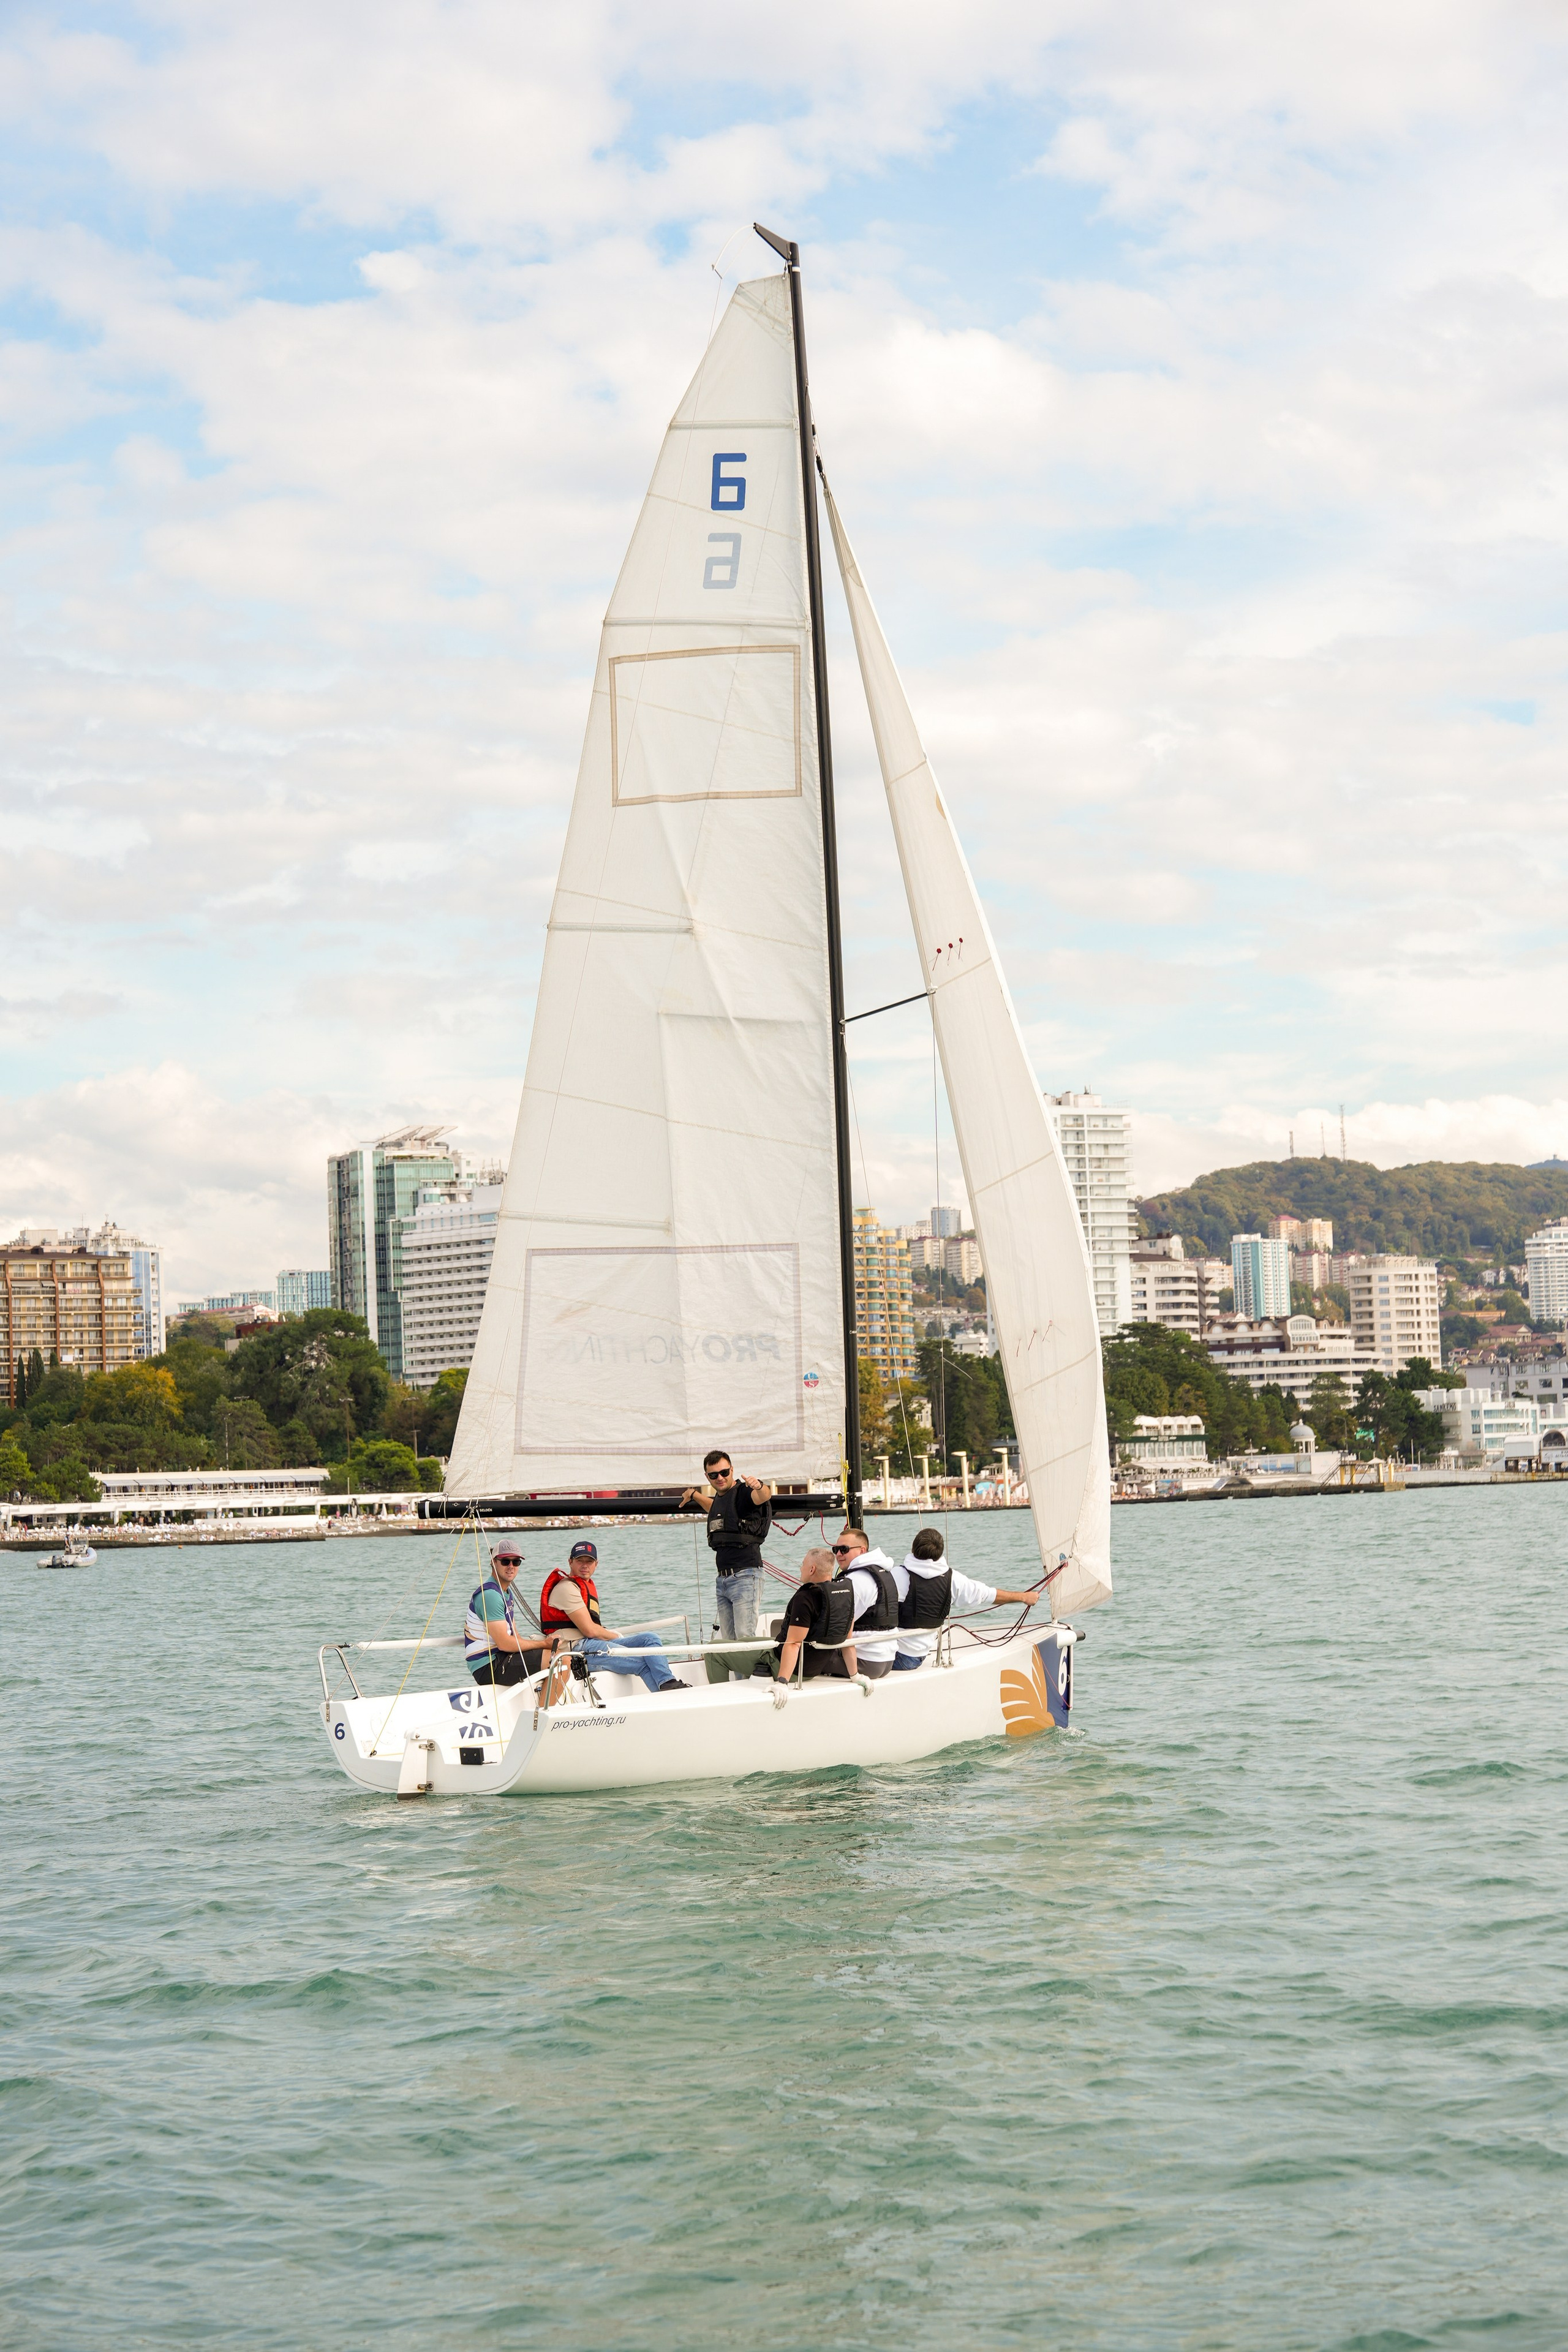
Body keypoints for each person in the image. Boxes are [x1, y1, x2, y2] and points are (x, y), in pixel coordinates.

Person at [538, 1539, 688, 1694]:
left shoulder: (583, 1586)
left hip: (592, 1644)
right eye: (580, 1560)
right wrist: (613, 1635)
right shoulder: (566, 1588)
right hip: (577, 1650)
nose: (585, 1565)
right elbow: (590, 1630)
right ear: (570, 1562)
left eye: (589, 1561)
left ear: (596, 1564)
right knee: (643, 1661)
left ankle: (668, 1683)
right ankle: (668, 1696)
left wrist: (609, 1636)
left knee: (650, 1639)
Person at [891, 1526, 1039, 1669]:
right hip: (919, 1656)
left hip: (899, 1656)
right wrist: (1024, 1597)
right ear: (940, 1554)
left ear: (913, 1549)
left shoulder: (896, 1576)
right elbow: (988, 1594)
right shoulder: (953, 1579)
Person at [680, 1449, 774, 1642]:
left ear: (732, 1470)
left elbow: (763, 1497)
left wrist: (760, 1486)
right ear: (707, 1477)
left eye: (724, 1473)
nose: (720, 1478)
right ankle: (741, 1674)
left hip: (746, 1576)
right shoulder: (722, 1499)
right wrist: (694, 1495)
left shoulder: (745, 1493)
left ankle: (753, 1673)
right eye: (714, 1475)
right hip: (722, 1581)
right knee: (729, 1642)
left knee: (745, 1638)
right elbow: (714, 1507)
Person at [756, 1545, 858, 1681]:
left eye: (803, 1564)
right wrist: (855, 1676)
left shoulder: (806, 1597)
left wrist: (782, 1682)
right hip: (813, 1669)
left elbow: (794, 1644)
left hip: (788, 1669)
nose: (801, 1568)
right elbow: (848, 1642)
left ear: (812, 1569)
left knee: (719, 1653)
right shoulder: (845, 1596)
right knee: (745, 1641)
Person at [465, 1544, 553, 1685]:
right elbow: (504, 1643)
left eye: (516, 1562)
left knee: (559, 1655)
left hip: (501, 1657)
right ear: (494, 1562)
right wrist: (543, 1644)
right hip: (488, 1666)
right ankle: (544, 1707)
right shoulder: (491, 1595)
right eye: (505, 1561)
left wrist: (545, 1645)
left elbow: (515, 1637)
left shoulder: (506, 1592)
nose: (511, 1566)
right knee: (560, 1660)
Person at [829, 1527, 903, 1678]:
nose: (838, 1555)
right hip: (887, 1659)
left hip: (866, 1661)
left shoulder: (856, 1580)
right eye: (835, 1549)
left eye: (844, 1549)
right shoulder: (885, 1573)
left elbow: (838, 1624)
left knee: (806, 1655)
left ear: (862, 1551)